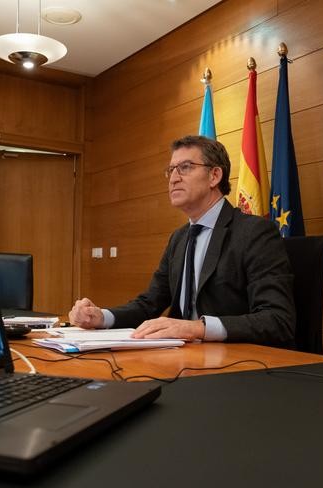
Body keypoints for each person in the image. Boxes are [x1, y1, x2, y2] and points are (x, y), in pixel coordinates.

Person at [68, 135, 295, 347]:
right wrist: (101, 317)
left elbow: (277, 319)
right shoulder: (179, 237)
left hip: (236, 364)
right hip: (180, 358)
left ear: (214, 176)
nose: (174, 178)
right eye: (171, 170)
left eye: (185, 168)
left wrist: (197, 328)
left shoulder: (254, 232)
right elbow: (150, 303)